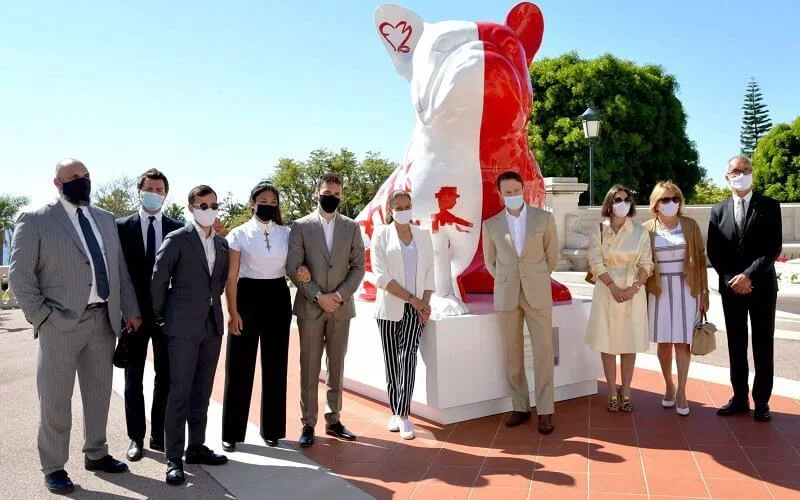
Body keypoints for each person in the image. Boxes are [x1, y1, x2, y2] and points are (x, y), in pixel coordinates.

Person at [8, 159, 141, 495]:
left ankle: (96, 453)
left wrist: (131, 310)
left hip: (103, 320)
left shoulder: (105, 219)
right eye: (73, 178)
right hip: (59, 323)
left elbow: (119, 268)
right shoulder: (36, 219)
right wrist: (42, 318)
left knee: (98, 395)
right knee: (55, 400)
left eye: (85, 176)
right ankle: (53, 467)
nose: (81, 182)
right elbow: (19, 276)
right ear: (57, 183)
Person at [221, 182, 312, 451]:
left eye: (273, 201)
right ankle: (232, 432)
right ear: (252, 202)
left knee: (275, 366)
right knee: (239, 367)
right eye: (263, 199)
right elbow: (231, 276)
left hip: (277, 296)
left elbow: (296, 265)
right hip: (247, 297)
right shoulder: (238, 234)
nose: (268, 204)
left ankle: (272, 429)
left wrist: (303, 269)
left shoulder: (288, 233)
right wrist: (232, 311)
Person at [151, 185, 230, 485]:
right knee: (179, 392)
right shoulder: (177, 240)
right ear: (191, 207)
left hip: (212, 327)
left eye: (213, 205)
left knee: (202, 392)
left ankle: (196, 446)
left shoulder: (221, 244)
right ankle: (174, 458)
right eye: (203, 205)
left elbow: (219, 281)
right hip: (182, 328)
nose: (209, 209)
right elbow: (158, 282)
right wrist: (162, 316)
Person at [286, 172, 366, 448]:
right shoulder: (300, 226)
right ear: (316, 192)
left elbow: (358, 267)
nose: (330, 197)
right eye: (326, 192)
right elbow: (293, 267)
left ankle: (334, 419)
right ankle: (308, 422)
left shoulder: (352, 227)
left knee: (336, 365)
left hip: (341, 308)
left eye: (335, 194)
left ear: (341, 195)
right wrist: (319, 296)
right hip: (311, 307)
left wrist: (339, 296)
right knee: (309, 366)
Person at [482, 171, 559, 435]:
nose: (513, 195)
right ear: (500, 194)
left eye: (517, 190)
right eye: (508, 192)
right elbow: (490, 262)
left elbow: (552, 257)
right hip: (507, 294)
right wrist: (508, 279)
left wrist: (535, 276)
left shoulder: (544, 218)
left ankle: (546, 410)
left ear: (523, 189)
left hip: (537, 292)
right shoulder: (491, 224)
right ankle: (520, 406)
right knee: (512, 353)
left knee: (544, 351)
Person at [707, 155, 782, 422]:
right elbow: (714, 252)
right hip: (731, 289)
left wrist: (748, 276)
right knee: (736, 344)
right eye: (736, 171)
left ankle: (762, 401)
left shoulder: (770, 206)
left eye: (746, 170)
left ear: (752, 173)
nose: (741, 174)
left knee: (763, 343)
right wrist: (732, 278)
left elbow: (773, 248)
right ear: (727, 176)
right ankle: (739, 398)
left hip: (761, 286)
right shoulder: (718, 210)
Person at [117, 168, 184, 461]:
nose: (154, 194)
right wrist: (129, 311)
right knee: (133, 378)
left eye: (159, 190)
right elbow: (118, 274)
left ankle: (159, 434)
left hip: (166, 316)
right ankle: (136, 437)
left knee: (165, 376)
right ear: (139, 191)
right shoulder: (121, 227)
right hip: (133, 316)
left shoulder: (178, 227)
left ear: (166, 194)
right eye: (149, 189)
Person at [370, 190, 435, 440]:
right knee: (392, 361)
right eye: (398, 207)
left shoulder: (422, 235)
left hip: (416, 308)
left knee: (407, 358)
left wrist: (424, 304)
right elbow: (381, 277)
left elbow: (430, 272)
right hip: (390, 308)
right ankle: (395, 411)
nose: (404, 210)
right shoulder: (381, 234)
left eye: (407, 206)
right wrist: (412, 299)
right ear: (390, 210)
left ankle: (404, 415)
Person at [643, 182, 709, 416]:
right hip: (659, 290)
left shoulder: (690, 225)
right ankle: (668, 386)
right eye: (665, 199)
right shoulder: (647, 228)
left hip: (686, 289)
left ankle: (682, 390)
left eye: (674, 199)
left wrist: (704, 293)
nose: (670, 203)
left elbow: (700, 261)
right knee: (664, 342)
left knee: (682, 341)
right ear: (655, 203)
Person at [585, 185, 653, 413]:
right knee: (608, 341)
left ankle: (627, 389)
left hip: (633, 291)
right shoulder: (599, 229)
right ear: (609, 203)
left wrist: (633, 288)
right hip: (606, 290)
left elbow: (647, 263)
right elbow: (595, 261)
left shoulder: (640, 232)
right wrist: (613, 287)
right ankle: (612, 389)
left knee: (628, 342)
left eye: (626, 199)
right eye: (617, 199)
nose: (621, 203)